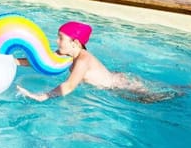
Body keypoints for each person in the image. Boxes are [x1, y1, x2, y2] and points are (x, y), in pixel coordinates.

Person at [16, 21, 152, 101]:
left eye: (61, 38)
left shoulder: (82, 60)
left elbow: (69, 86)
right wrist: (14, 61)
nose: (57, 41)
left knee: (153, 99)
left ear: (75, 43)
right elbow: (41, 61)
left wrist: (43, 96)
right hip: (114, 80)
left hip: (122, 86)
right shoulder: (67, 53)